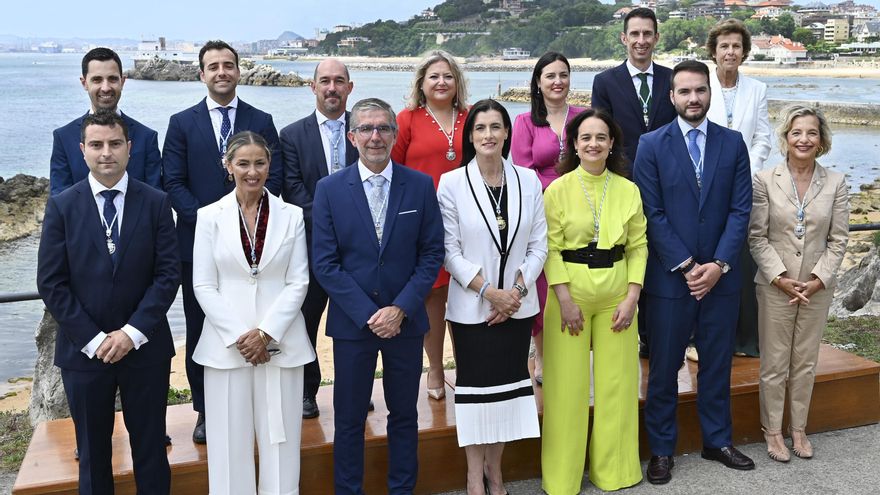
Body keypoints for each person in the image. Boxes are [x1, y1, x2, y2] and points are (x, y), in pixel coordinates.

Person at [37, 111, 180, 494]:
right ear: (82, 150)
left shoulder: (156, 202)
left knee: (150, 449)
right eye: (97, 145)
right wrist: (95, 339)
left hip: (145, 349)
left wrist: (131, 333)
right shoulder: (63, 206)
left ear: (129, 149)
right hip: (84, 355)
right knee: (93, 456)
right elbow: (51, 283)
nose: (106, 153)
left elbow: (167, 276)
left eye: (115, 144)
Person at [312, 98, 445, 495]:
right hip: (354, 325)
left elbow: (431, 253)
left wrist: (400, 309)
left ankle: (402, 489)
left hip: (405, 323)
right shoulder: (329, 190)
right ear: (352, 137)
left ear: (394, 134)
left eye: (383, 128)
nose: (375, 136)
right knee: (349, 419)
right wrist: (369, 314)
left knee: (404, 415)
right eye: (366, 129)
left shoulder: (419, 186)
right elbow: (325, 262)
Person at [634, 60, 755, 484]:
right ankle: (662, 450)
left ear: (710, 93)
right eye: (684, 92)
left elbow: (741, 210)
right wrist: (688, 266)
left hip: (721, 280)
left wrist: (719, 265)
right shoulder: (651, 145)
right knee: (664, 367)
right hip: (671, 280)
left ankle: (717, 440)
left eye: (700, 91)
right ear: (671, 96)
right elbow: (652, 213)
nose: (693, 98)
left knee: (717, 364)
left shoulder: (733, 143)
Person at [162, 39, 283, 444]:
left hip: (256, 248)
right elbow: (173, 183)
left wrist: (240, 226)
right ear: (201, 74)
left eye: (228, 65)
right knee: (201, 328)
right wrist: (214, 222)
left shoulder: (261, 119)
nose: (221, 72)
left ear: (238, 70)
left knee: (255, 322)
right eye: (212, 66)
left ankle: (257, 404)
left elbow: (275, 179)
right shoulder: (181, 122)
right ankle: (203, 410)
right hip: (196, 245)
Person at [192, 131, 315, 494]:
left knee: (281, 443)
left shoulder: (291, 216)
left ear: (269, 165)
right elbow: (203, 285)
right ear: (228, 166)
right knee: (228, 447)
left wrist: (265, 333)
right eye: (243, 163)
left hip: (281, 346)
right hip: (226, 349)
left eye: (259, 163)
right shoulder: (208, 217)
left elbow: (299, 281)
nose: (252, 171)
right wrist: (241, 337)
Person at [437, 99, 546, 495]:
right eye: (480, 128)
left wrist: (514, 293)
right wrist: (489, 293)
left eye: (496, 127)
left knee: (506, 395)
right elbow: (449, 251)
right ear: (470, 136)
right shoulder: (452, 183)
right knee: (476, 396)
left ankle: (496, 474)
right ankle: (473, 476)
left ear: (506, 134)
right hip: (472, 311)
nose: (488, 135)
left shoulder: (529, 181)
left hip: (516, 309)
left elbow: (539, 245)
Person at [541, 109, 647, 493]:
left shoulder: (628, 189)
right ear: (574, 144)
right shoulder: (557, 189)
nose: (593, 144)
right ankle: (562, 478)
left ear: (612, 143)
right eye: (586, 137)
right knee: (565, 390)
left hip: (618, 295)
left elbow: (638, 246)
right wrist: (565, 299)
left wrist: (633, 295)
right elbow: (550, 248)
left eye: (601, 137)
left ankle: (614, 470)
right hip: (570, 294)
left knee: (616, 387)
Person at [749, 105, 848, 462]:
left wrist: (819, 280)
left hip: (816, 289)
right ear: (785, 138)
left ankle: (798, 429)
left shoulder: (836, 182)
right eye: (797, 132)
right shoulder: (764, 179)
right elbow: (757, 236)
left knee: (805, 362)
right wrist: (780, 278)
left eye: (811, 133)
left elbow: (839, 240)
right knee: (774, 363)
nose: (804, 139)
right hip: (775, 286)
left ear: (821, 141)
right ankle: (773, 431)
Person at [590, 7, 677, 358]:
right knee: (623, 256)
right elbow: (602, 134)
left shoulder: (673, 79)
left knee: (658, 256)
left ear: (656, 38)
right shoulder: (606, 82)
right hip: (622, 183)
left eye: (647, 34)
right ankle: (620, 330)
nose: (641, 40)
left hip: (667, 184)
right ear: (624, 38)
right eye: (634, 34)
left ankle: (655, 336)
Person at [280, 58, 358, 419]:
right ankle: (306, 393)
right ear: (313, 87)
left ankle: (353, 390)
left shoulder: (367, 130)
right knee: (304, 324)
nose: (331, 88)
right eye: (324, 81)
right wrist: (334, 224)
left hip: (359, 250)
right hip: (311, 248)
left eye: (338, 81)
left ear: (349, 87)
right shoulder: (291, 136)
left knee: (356, 323)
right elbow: (292, 190)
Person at [391, 50, 468, 400]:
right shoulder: (406, 119)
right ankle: (435, 368)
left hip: (468, 220)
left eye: (448, 76)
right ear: (421, 83)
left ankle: (467, 366)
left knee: (467, 292)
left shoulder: (471, 118)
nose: (441, 82)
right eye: (434, 76)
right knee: (433, 296)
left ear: (457, 82)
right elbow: (392, 171)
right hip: (422, 221)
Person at [510, 51, 585, 385]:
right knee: (543, 286)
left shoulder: (584, 116)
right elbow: (524, 172)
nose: (558, 82)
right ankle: (540, 354)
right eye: (550, 76)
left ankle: (576, 349)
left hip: (582, 211)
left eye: (563, 75)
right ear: (538, 83)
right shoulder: (524, 122)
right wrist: (555, 192)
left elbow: (594, 159)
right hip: (540, 213)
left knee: (578, 282)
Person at [705, 18, 773, 359]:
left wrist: (749, 166)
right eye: (724, 46)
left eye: (736, 46)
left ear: (744, 51)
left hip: (745, 183)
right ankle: (705, 336)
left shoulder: (757, 90)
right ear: (714, 52)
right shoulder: (702, 86)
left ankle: (746, 339)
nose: (730, 52)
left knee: (742, 259)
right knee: (708, 253)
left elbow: (763, 136)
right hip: (707, 183)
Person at [51, 47, 161, 195]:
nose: (105, 88)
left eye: (112, 79)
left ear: (122, 81)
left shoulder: (147, 137)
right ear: (84, 83)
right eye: (97, 80)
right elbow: (59, 199)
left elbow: (155, 199)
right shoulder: (64, 137)